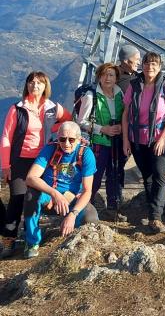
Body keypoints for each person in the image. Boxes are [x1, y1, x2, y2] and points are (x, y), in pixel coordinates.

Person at [0, 71, 71, 258]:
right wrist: (6, 166)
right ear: (27, 85)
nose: (35, 85)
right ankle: (8, 240)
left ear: (45, 86)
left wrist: (53, 129)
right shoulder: (17, 109)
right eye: (31, 82)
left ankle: (30, 238)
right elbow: (6, 137)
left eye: (39, 82)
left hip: (43, 160)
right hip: (20, 160)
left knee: (34, 197)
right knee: (17, 199)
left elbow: (68, 120)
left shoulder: (52, 107)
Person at [22, 121, 97, 258]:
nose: (66, 143)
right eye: (62, 139)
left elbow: (87, 191)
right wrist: (54, 193)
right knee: (30, 196)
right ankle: (32, 241)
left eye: (71, 140)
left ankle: (69, 228)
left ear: (79, 139)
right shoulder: (50, 149)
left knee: (91, 218)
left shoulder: (86, 155)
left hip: (71, 199)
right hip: (49, 197)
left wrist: (72, 214)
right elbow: (31, 178)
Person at [122, 52, 165, 233]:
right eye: (146, 63)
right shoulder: (134, 86)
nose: (149, 67)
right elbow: (126, 113)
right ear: (142, 66)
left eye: (154, 64)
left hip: (158, 138)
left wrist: (162, 138)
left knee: (159, 175)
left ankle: (156, 216)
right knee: (147, 176)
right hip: (137, 138)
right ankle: (152, 209)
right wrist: (125, 140)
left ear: (159, 67)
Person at [76, 62, 125, 218]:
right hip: (98, 143)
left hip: (116, 142)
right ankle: (84, 209)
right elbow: (82, 122)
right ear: (99, 77)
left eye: (111, 75)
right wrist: (103, 129)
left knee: (115, 175)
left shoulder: (120, 93)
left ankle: (112, 209)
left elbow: (125, 115)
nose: (107, 78)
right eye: (104, 74)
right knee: (94, 176)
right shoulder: (91, 96)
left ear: (117, 78)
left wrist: (121, 127)